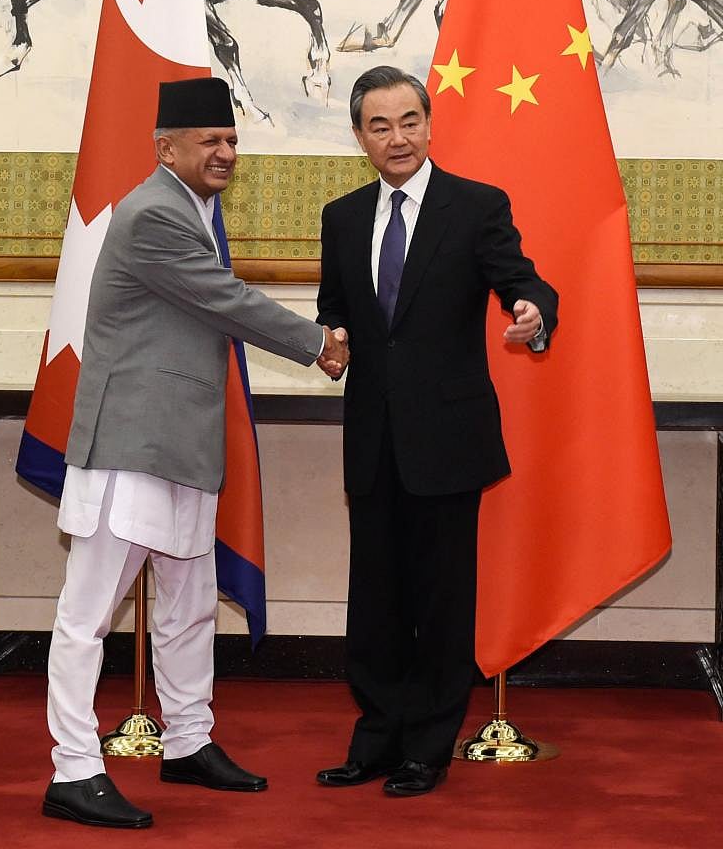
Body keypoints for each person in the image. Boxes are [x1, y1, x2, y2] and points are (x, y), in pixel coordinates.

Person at [44, 77, 348, 830]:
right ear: (166, 147)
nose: (225, 153)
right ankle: (73, 770)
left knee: (187, 608)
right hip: (129, 444)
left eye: (232, 140)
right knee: (86, 613)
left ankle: (187, 742)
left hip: (178, 443)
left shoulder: (193, 209)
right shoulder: (154, 214)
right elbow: (225, 299)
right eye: (209, 141)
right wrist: (319, 344)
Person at [315, 65, 557, 798]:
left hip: (447, 438)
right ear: (361, 136)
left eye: (410, 121)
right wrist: (332, 343)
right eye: (381, 126)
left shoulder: (475, 205)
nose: (399, 137)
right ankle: (377, 739)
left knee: (442, 600)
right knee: (377, 599)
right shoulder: (344, 216)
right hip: (373, 437)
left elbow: (523, 278)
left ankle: (428, 746)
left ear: (429, 122)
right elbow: (338, 310)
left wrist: (533, 314)